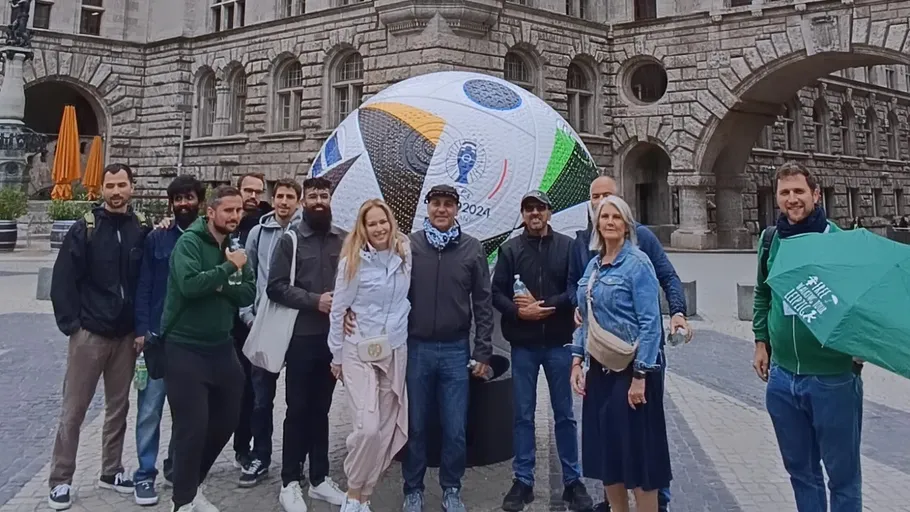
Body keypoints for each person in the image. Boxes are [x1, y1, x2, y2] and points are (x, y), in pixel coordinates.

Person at [568, 175, 688, 512]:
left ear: (626, 223)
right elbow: (585, 317)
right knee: (609, 457)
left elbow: (651, 324)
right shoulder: (593, 265)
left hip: (631, 371)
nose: (608, 221)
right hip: (600, 372)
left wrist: (640, 376)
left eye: (615, 215)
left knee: (639, 459)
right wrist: (577, 361)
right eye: (603, 214)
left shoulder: (637, 262)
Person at [752, 162, 862, 512]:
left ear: (815, 194)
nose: (792, 199)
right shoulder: (771, 241)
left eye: (799, 191)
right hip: (783, 377)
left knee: (842, 477)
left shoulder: (840, 242)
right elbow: (762, 294)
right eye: (785, 192)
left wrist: (861, 345)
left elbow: (861, 302)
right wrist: (760, 341)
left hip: (832, 379)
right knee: (801, 472)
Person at [48, 163, 151, 510]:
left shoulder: (141, 229)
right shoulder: (85, 229)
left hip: (125, 337)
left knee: (118, 409)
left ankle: (111, 470)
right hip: (90, 334)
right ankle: (60, 479)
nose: (116, 191)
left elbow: (145, 283)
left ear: (132, 188)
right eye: (110, 185)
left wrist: (141, 329)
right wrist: (72, 326)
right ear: (102, 190)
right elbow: (63, 280)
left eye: (122, 184)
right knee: (74, 410)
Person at [491, 190, 593, 512]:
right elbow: (497, 293)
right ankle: (523, 480)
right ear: (523, 214)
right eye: (529, 209)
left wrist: (545, 306)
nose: (535, 213)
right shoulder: (510, 249)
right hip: (523, 344)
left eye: (541, 208)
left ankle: (572, 481)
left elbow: (574, 288)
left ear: (549, 212)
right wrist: (520, 312)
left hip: (559, 343)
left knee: (564, 415)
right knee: (523, 415)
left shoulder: (567, 245)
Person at [160, 185, 256, 512]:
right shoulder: (189, 242)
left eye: (238, 210)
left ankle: (192, 485)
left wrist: (218, 281)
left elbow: (247, 294)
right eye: (228, 210)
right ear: (210, 212)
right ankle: (182, 502)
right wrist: (229, 271)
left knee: (227, 419)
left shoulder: (236, 247)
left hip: (221, 347)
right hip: (184, 347)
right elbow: (189, 286)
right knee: (192, 427)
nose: (234, 216)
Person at [399, 184, 493, 512]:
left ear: (457, 209)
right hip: (417, 348)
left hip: (455, 351)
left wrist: (482, 351)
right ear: (427, 207)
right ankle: (413, 489)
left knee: (455, 428)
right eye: (436, 203)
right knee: (416, 425)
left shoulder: (472, 248)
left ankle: (451, 488)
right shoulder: (409, 246)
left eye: (448, 204)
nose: (442, 210)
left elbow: (483, 302)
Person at [267, 176, 348, 512]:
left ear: (330, 200)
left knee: (322, 410)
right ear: (303, 202)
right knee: (297, 410)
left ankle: (319, 479)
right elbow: (275, 286)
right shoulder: (290, 240)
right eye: (312, 195)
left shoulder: (343, 240)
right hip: (301, 338)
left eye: (324, 195)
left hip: (332, 340)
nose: (318, 201)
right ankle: (289, 481)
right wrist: (315, 300)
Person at [328, 199, 412, 512]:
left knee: (388, 428)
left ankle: (364, 495)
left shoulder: (405, 253)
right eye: (372, 223)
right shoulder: (352, 261)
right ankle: (352, 493)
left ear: (391, 223)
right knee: (367, 428)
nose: (379, 228)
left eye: (383, 222)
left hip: (394, 348)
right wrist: (336, 355)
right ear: (363, 228)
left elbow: (406, 296)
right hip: (358, 348)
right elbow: (338, 310)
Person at [132, 174, 205, 505]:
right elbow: (144, 285)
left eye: (189, 197)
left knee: (186, 411)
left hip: (190, 341)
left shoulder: (209, 238)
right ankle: (145, 473)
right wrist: (141, 330)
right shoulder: (157, 238)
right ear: (171, 204)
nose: (183, 204)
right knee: (149, 410)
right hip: (158, 338)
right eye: (178, 199)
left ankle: (178, 468)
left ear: (199, 201)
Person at [237, 178, 304, 487]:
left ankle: (295, 461)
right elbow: (246, 274)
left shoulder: (306, 232)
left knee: (298, 401)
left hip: (298, 327)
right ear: (272, 199)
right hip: (264, 324)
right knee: (262, 399)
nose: (284, 201)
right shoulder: (258, 232)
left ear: (298, 201)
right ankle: (260, 456)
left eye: (290, 196)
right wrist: (247, 314)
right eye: (279, 196)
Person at [231, 172, 271, 475]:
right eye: (248, 190)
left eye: (258, 191)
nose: (253, 196)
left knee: (257, 393)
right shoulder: (228, 223)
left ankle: (252, 451)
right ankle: (239, 447)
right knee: (238, 390)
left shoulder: (267, 224)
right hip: (228, 322)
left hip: (257, 321)